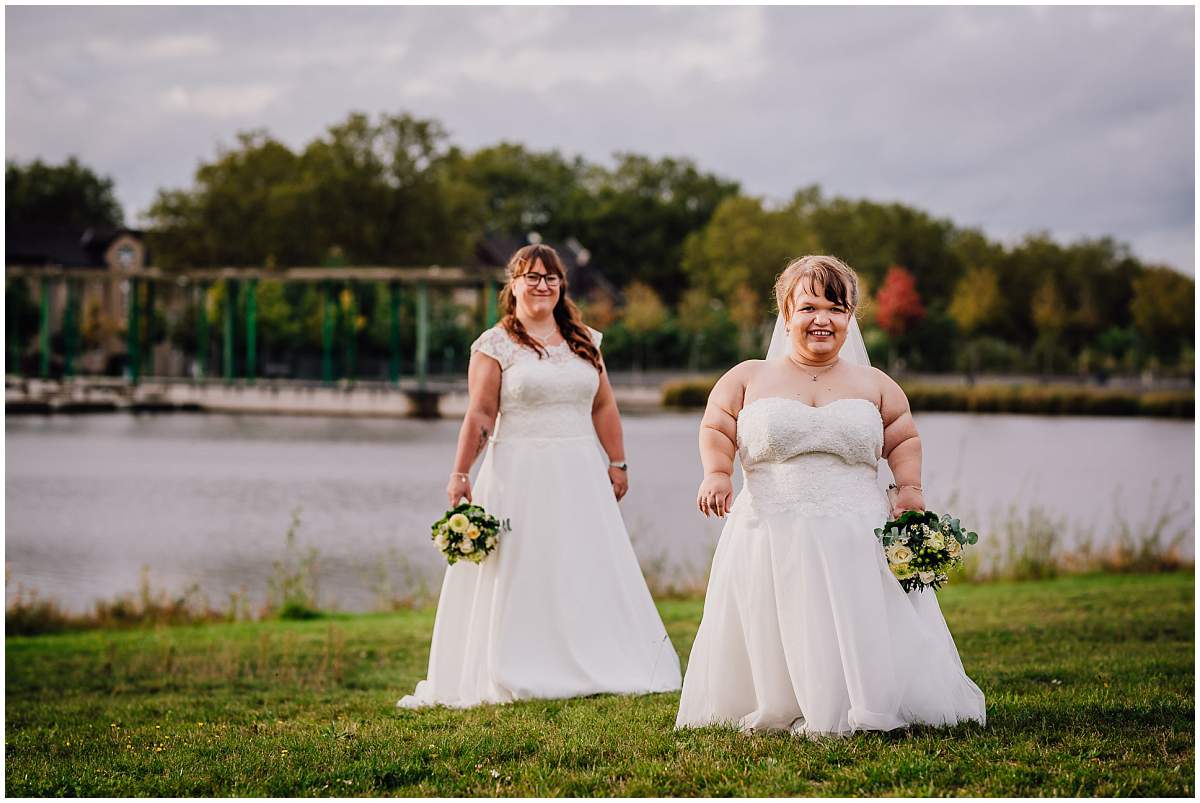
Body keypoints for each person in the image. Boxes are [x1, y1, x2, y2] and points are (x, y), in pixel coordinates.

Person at [675, 254, 986, 737]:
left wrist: (909, 491)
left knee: (858, 618)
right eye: (809, 307)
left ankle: (865, 700)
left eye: (836, 309)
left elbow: (903, 438)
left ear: (851, 318)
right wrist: (716, 474)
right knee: (777, 621)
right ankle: (780, 700)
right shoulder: (748, 377)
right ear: (785, 313)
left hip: (856, 529)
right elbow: (716, 426)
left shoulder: (875, 383)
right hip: (771, 528)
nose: (823, 319)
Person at [397, 243, 681, 709]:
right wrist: (460, 472)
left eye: (550, 278)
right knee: (522, 563)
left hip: (579, 472)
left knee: (581, 561)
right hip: (518, 472)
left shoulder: (586, 340)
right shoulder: (495, 344)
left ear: (561, 285)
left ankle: (595, 656)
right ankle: (517, 662)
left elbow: (604, 404)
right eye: (532, 277)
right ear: (513, 284)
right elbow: (481, 413)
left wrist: (618, 460)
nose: (542, 286)